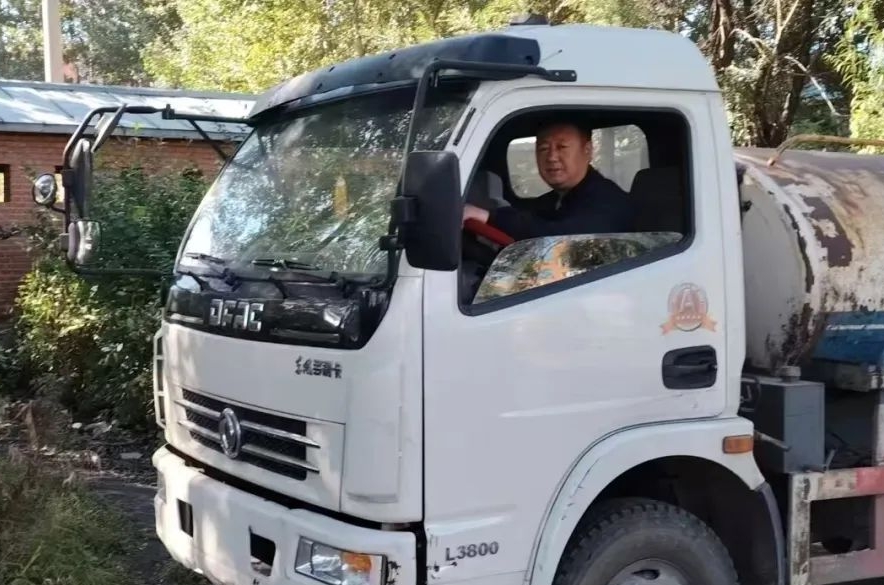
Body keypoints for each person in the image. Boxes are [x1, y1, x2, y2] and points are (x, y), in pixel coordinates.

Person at [462, 121, 636, 240]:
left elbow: (560, 239)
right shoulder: (555, 199)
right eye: (544, 148)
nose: (552, 157)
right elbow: (531, 218)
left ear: (588, 151)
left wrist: (489, 217)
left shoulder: (607, 201)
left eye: (562, 147)